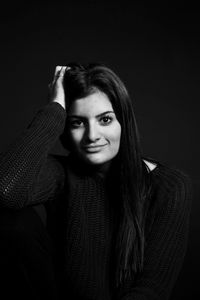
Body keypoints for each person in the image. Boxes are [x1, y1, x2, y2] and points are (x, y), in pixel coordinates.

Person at [0, 63, 192, 300]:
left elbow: (152, 290)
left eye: (105, 120)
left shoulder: (169, 186)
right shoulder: (60, 173)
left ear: (124, 122)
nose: (92, 136)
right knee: (11, 217)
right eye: (77, 123)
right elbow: (5, 189)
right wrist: (55, 108)